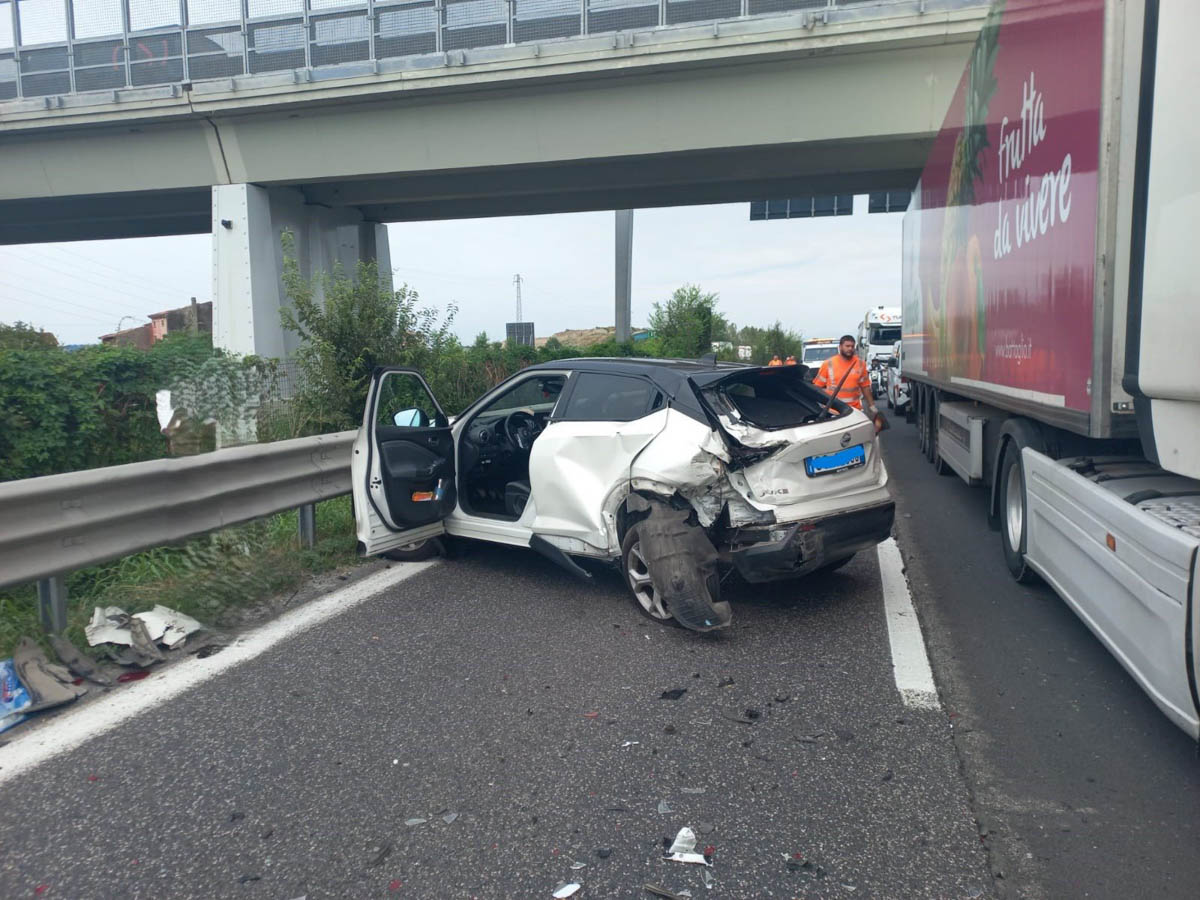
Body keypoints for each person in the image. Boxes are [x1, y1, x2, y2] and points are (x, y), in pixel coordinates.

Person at [813, 334, 882, 431]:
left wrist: (872, 406)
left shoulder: (860, 364)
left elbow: (865, 387)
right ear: (840, 347)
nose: (850, 349)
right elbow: (817, 387)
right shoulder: (828, 364)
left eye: (852, 346)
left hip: (854, 411)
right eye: (847, 346)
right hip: (833, 411)